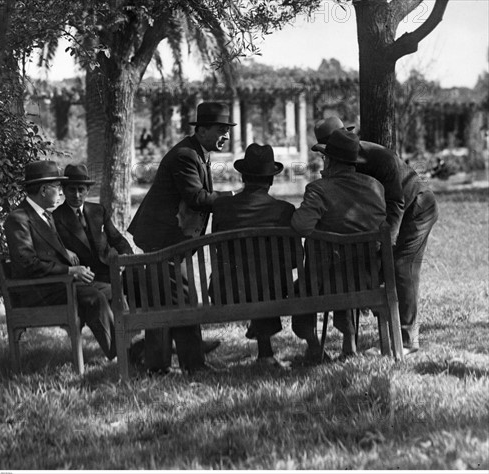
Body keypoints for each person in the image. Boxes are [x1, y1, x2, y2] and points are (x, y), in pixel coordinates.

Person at [311, 117, 439, 354]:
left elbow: (396, 203)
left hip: (417, 207)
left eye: (330, 153)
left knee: (402, 266)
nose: (328, 158)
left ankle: (407, 340)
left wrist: (384, 245)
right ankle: (358, 339)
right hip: (388, 213)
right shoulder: (341, 164)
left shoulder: (381, 159)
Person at [127, 101, 236, 374]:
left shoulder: (198, 152)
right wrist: (232, 198)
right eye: (221, 130)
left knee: (165, 299)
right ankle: (192, 363)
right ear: (202, 130)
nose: (226, 136)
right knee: (181, 296)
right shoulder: (186, 155)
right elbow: (196, 198)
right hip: (163, 239)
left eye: (228, 130)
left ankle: (156, 362)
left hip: (169, 237)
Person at [4, 160, 117, 361]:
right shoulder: (19, 218)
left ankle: (128, 347)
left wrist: (67, 256)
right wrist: (70, 272)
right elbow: (27, 264)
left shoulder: (43, 215)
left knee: (112, 290)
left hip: (56, 286)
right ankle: (121, 354)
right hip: (38, 291)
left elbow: (46, 249)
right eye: (58, 188)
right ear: (44, 190)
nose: (61, 193)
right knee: (94, 297)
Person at [291, 129, 387, 361]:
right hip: (367, 277)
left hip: (324, 281)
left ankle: (314, 346)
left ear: (332, 161)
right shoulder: (376, 187)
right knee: (344, 269)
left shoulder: (319, 189)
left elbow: (302, 226)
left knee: (303, 285)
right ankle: (349, 345)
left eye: (325, 158)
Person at [211, 143, 296, 367]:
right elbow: (296, 259)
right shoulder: (284, 211)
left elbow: (219, 251)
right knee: (266, 280)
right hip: (275, 290)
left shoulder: (222, 208)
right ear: (271, 180)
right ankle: (265, 353)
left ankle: (265, 353)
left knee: (255, 278)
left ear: (242, 178)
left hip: (228, 290)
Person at [53, 163, 133, 284]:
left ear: (88, 190)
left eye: (81, 190)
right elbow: (52, 248)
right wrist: (65, 251)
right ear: (63, 190)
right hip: (85, 275)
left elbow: (116, 238)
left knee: (142, 280)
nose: (76, 195)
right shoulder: (56, 217)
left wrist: (125, 256)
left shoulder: (98, 210)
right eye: (71, 190)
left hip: (109, 268)